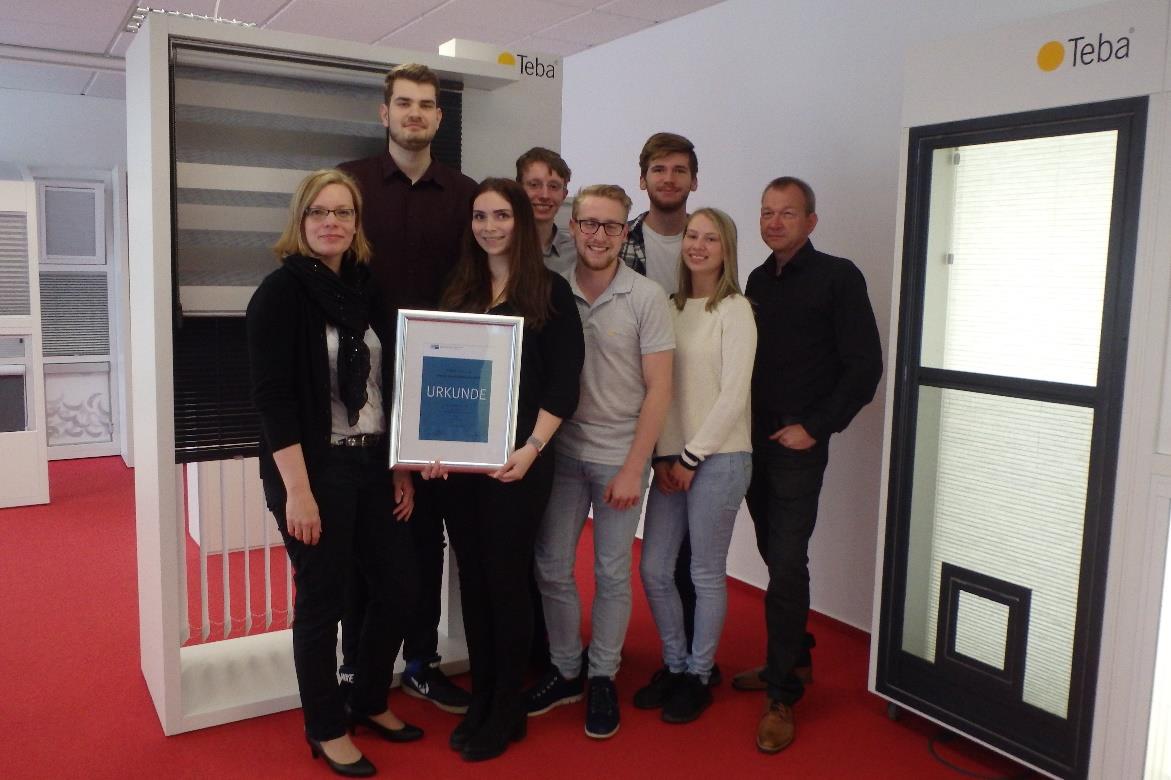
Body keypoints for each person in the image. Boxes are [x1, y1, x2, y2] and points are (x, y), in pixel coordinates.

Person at [246, 169, 421, 777]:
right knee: (322, 602)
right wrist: (298, 491)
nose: (331, 222)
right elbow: (272, 400)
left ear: (356, 223)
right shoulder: (280, 293)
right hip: (313, 471)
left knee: (400, 588)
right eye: (319, 212)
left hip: (373, 462)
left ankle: (368, 698)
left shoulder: (368, 289)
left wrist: (399, 467)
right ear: (301, 221)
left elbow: (387, 384)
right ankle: (325, 726)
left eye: (343, 212)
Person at [426, 178, 584, 762]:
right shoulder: (457, 289)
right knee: (472, 578)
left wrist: (533, 448)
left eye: (500, 216)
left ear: (520, 221)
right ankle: (485, 696)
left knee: (506, 579)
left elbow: (563, 384)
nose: (489, 227)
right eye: (479, 216)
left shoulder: (550, 292)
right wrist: (430, 445)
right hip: (462, 467)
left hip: (520, 463)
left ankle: (508, 704)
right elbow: (436, 376)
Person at [339, 62, 477, 715]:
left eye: (425, 104)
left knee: (423, 536)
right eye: (403, 103)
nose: (414, 113)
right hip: (360, 390)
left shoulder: (466, 195)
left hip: (439, 392)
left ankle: (421, 661)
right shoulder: (351, 185)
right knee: (362, 536)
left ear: (439, 118)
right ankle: (355, 667)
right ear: (384, 113)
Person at [739, 176, 882, 754]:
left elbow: (865, 366)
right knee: (773, 550)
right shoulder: (755, 280)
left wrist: (818, 426)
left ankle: (782, 695)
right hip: (751, 440)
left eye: (788, 213)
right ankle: (795, 656)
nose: (775, 222)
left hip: (797, 445)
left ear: (811, 221)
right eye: (767, 212)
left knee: (787, 562)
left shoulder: (838, 277)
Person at [528, 184, 675, 740]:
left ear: (624, 231)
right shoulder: (551, 288)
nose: (598, 235)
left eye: (612, 226)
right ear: (573, 227)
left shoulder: (647, 297)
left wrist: (635, 466)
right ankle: (567, 669)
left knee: (612, 572)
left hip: (620, 455)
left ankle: (603, 675)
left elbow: (659, 389)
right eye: (589, 224)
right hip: (562, 450)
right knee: (551, 565)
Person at [634, 208, 755, 724]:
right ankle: (676, 662)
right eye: (692, 236)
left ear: (726, 250)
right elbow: (659, 389)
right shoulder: (669, 306)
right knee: (655, 568)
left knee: (704, 572)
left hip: (720, 459)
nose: (698, 246)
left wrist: (689, 457)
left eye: (711, 238)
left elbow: (733, 397)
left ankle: (700, 674)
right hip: (673, 462)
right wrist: (665, 456)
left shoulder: (735, 309)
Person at [618, 131, 717, 684]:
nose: (669, 179)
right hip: (628, 409)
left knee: (685, 558)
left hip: (693, 419)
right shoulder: (619, 241)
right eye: (659, 169)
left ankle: (692, 666)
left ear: (694, 180)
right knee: (629, 553)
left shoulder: (707, 242)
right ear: (643, 179)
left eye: (680, 170)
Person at [516, 147, 577, 275]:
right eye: (534, 185)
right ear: (518, 189)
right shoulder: (498, 246)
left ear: (564, 194)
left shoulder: (576, 254)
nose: (544, 195)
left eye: (553, 186)